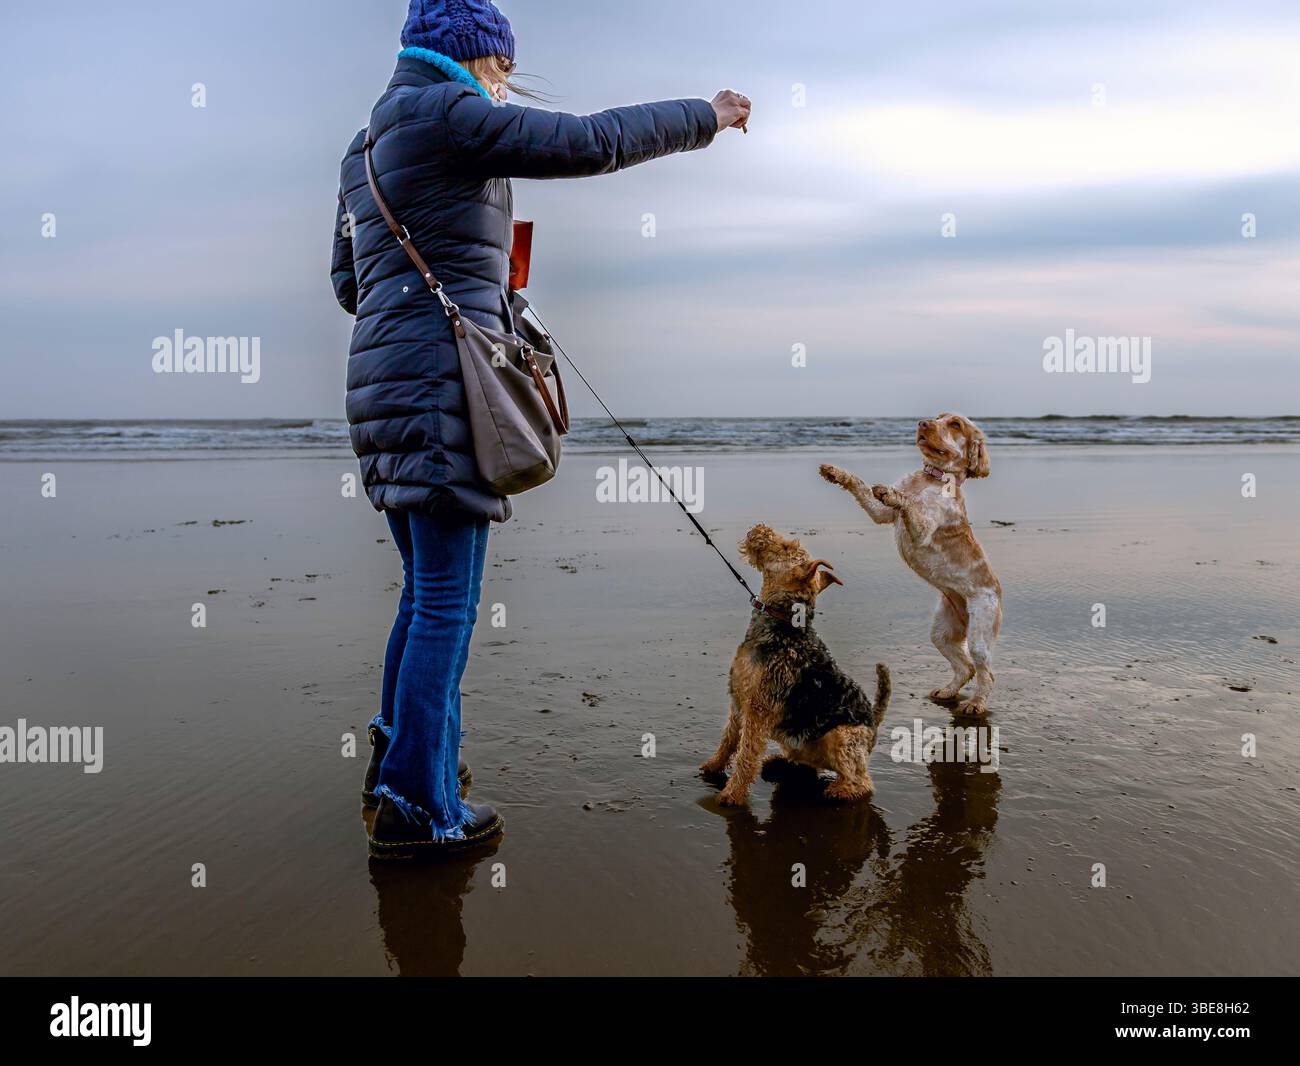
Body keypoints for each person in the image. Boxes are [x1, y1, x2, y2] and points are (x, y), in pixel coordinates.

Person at [330, 0, 750, 859]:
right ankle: (419, 805)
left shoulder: (365, 142)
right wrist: (706, 116)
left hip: (380, 388)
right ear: (473, 56)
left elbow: (350, 284)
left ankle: (402, 768)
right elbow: (590, 142)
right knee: (446, 601)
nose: (504, 84)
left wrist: (469, 273)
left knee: (421, 594)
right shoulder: (449, 113)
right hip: (442, 391)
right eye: (501, 69)